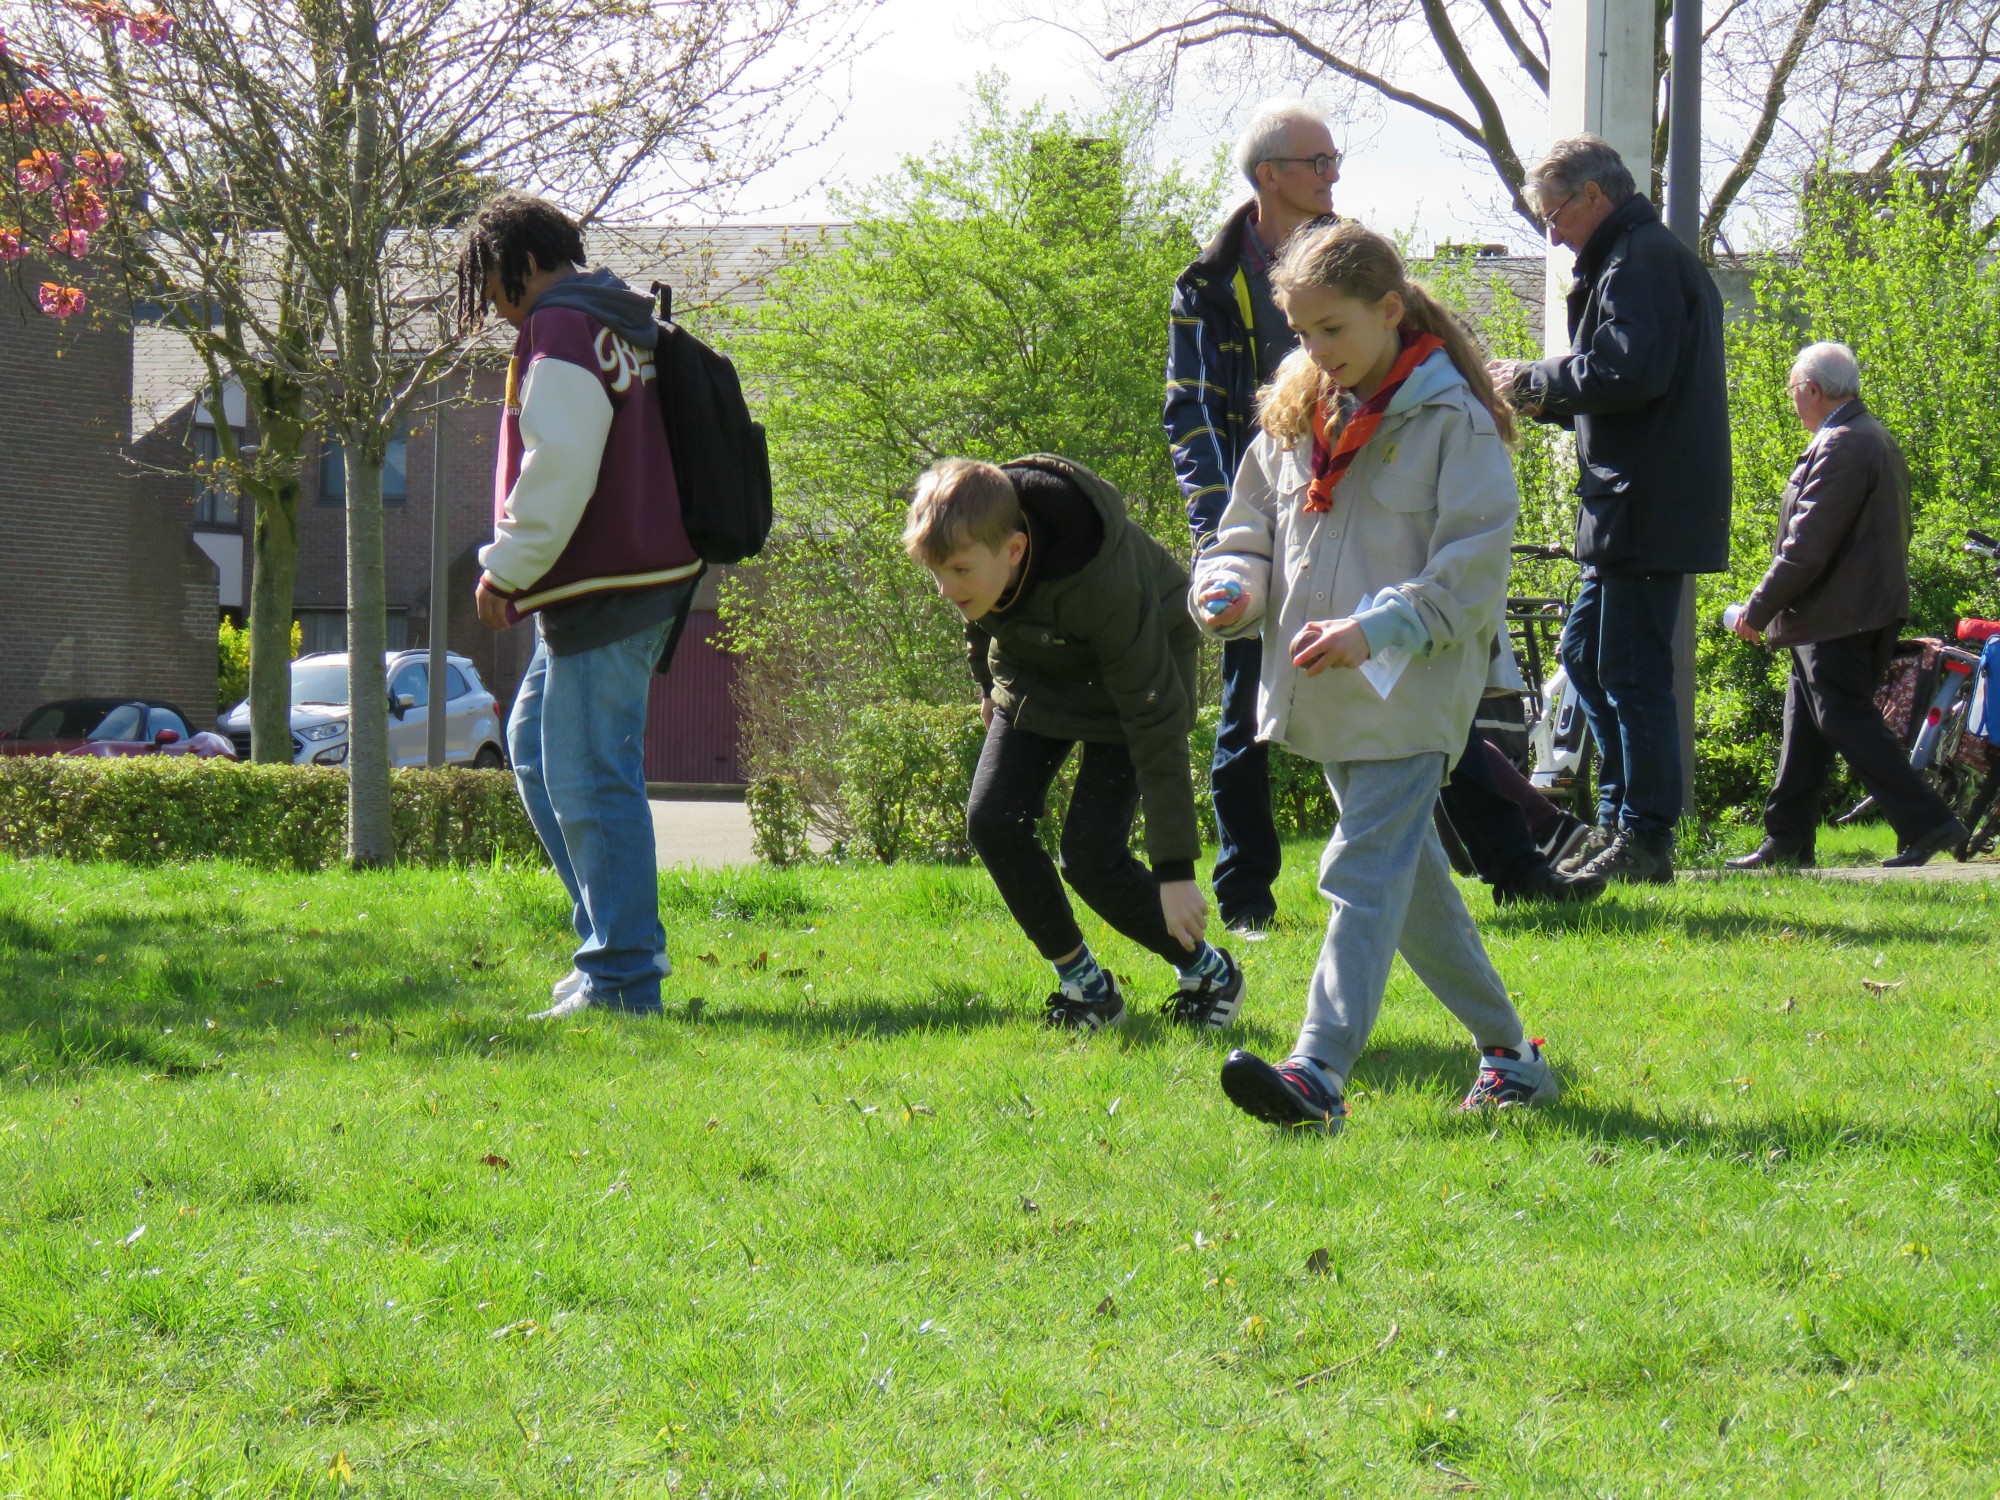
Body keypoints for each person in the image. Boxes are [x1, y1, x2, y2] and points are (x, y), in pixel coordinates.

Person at [1193, 221, 1556, 1133]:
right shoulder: (1295, 413)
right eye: (1302, 332)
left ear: (1390, 311)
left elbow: (1468, 577)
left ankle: (1316, 1071)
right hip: (1326, 688)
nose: (1317, 351)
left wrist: (1375, 626)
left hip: (1413, 682)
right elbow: (1246, 531)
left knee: (1360, 868)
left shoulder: (1454, 422)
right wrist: (1228, 585)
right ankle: (1512, 1057)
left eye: (1335, 329)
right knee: (1408, 875)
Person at [457, 191, 702, 1019]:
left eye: (490, 285)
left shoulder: (559, 328)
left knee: (594, 777)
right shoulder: (615, 317)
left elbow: (560, 464)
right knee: (532, 749)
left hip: (607, 587)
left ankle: (623, 976)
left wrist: (507, 570)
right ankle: (610, 941)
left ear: (516, 263)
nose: (492, 306)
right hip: (638, 576)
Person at [904, 456, 1245, 1032]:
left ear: (1013, 551)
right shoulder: (983, 548)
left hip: (1135, 685)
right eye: (937, 572)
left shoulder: (1100, 582)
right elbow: (978, 615)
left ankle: (1210, 974)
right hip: (1040, 668)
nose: (945, 589)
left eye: (958, 570)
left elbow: (1155, 719)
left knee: (1090, 859)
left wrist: (1174, 870)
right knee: (992, 820)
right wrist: (989, 686)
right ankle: (1087, 988)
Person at [1489, 136, 1732, 885]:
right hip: (1628, 505)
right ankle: (1620, 820)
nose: (1551, 234)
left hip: (1644, 508)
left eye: (1554, 214)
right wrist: (1544, 396)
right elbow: (1622, 393)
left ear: (1594, 195)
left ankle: (1644, 836)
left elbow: (1630, 370)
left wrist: (1537, 378)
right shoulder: (1632, 257)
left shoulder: (1641, 260)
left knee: (1630, 672)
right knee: (1586, 658)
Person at [1166, 100, 1341, 934]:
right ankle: (1244, 901)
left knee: (1384, 695)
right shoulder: (1207, 285)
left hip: (1345, 511)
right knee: (1243, 716)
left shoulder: (1356, 262)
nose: (1332, 175)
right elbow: (1191, 416)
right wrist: (1217, 539)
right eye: (1319, 161)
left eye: (1333, 161)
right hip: (1253, 522)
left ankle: (1498, 864)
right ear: (1269, 175)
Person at [1725, 343, 1969, 870]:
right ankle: (1787, 839)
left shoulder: (1842, 445)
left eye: (1792, 391)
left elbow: (1806, 544)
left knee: (1843, 717)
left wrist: (1759, 608)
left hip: (1839, 613)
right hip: (1840, 611)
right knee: (1806, 725)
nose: (1792, 402)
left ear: (1811, 390)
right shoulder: (1867, 436)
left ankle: (1930, 821)